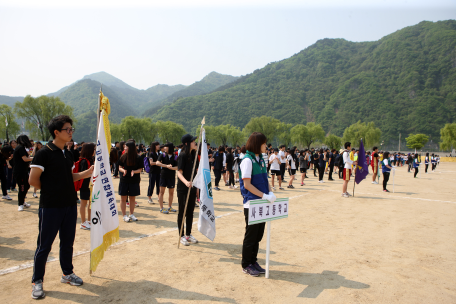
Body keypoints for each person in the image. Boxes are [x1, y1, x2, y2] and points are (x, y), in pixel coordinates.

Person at [29, 115, 93, 299]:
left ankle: (67, 273)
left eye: (71, 129)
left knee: (67, 242)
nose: (71, 132)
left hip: (69, 205)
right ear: (56, 132)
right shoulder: (44, 152)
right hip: (51, 206)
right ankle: (37, 281)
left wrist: (85, 173)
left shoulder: (67, 154)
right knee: (44, 245)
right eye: (68, 129)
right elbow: (33, 180)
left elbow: (68, 177)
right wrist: (52, 190)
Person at [239, 132, 276, 277]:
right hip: (252, 203)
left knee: (259, 235)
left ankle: (253, 261)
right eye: (264, 143)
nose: (266, 146)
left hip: (263, 203)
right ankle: (246, 264)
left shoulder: (260, 159)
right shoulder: (247, 160)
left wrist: (270, 192)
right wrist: (264, 195)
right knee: (251, 235)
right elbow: (247, 184)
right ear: (257, 144)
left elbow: (265, 179)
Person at [176, 134, 199, 246]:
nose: (195, 142)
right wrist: (186, 182)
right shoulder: (182, 155)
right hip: (183, 188)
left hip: (193, 187)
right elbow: (179, 172)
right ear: (186, 143)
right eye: (193, 141)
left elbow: (196, 172)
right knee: (182, 212)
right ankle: (181, 236)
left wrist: (197, 186)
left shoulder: (194, 154)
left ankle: (188, 234)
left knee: (190, 212)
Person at [118, 141, 143, 222]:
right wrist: (123, 170)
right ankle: (124, 215)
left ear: (130, 148)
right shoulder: (123, 156)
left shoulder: (138, 157)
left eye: (126, 147)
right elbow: (119, 167)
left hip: (134, 180)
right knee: (123, 198)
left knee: (132, 197)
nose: (124, 148)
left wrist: (134, 171)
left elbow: (140, 169)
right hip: (124, 180)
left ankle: (131, 214)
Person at [14, 135, 34, 211]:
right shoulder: (20, 148)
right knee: (22, 188)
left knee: (27, 186)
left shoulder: (22, 148)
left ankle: (23, 201)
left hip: (24, 170)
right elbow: (25, 159)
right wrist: (35, 158)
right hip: (20, 172)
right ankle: (20, 204)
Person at [157, 143, 178, 214]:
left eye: (166, 147)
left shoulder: (175, 156)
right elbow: (157, 163)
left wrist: (172, 168)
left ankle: (169, 207)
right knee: (161, 192)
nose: (164, 148)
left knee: (171, 193)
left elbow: (178, 167)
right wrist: (166, 166)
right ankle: (161, 208)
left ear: (170, 148)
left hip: (171, 177)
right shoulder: (162, 155)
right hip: (163, 176)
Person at [78, 143, 95, 229]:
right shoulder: (84, 161)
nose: (95, 151)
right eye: (94, 149)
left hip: (91, 185)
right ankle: (83, 222)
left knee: (91, 203)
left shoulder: (91, 160)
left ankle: (89, 220)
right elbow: (82, 175)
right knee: (83, 203)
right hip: (84, 185)